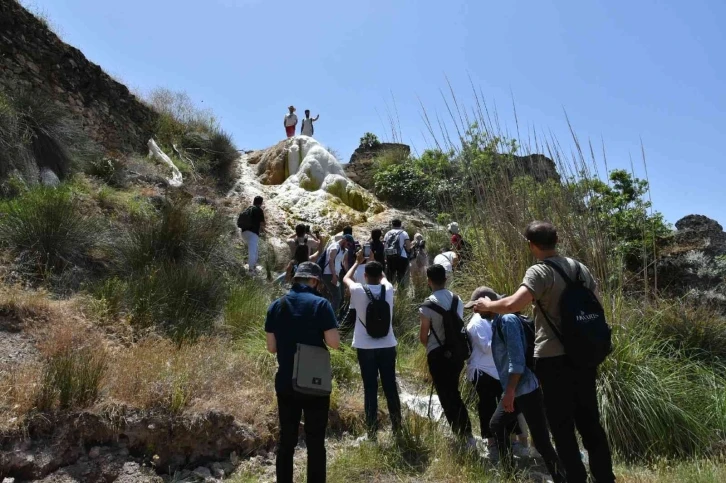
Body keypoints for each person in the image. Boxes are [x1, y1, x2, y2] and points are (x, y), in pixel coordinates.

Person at [473, 221, 615, 483]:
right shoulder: (579, 268)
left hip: (553, 360)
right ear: (556, 240)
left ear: (531, 244)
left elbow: (515, 303)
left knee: (562, 429)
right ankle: (605, 478)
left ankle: (575, 479)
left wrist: (488, 304)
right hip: (585, 356)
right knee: (590, 422)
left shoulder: (539, 271)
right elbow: (598, 305)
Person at [467, 288, 566, 482]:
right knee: (497, 424)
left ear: (488, 302)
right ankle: (509, 474)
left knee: (541, 442)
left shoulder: (507, 321)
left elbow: (517, 361)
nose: (475, 312)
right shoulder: (498, 322)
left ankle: (561, 477)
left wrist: (510, 391)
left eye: (477, 307)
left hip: (525, 389)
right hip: (520, 389)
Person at [265, 262, 340, 483]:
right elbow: (333, 343)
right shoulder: (321, 305)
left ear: (295, 279)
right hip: (315, 383)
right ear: (314, 281)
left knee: (286, 442)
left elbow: (271, 348)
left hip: (286, 382)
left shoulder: (276, 306)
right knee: (316, 442)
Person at [343, 251, 402, 439]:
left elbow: (346, 277)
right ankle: (397, 428)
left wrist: (357, 262)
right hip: (387, 345)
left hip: (365, 346)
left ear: (365, 276)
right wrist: (374, 259)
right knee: (390, 386)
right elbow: (383, 277)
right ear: (381, 274)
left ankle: (371, 433)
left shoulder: (358, 290)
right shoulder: (389, 289)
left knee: (370, 388)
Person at [418, 264, 476, 449]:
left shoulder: (427, 305)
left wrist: (433, 347)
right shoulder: (457, 300)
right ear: (446, 279)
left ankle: (463, 435)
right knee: (454, 391)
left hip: (438, 355)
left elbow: (423, 336)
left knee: (447, 395)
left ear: (429, 281)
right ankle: (466, 434)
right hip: (457, 353)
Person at [321, 234, 352, 313]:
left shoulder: (344, 250)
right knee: (337, 296)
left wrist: (349, 274)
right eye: (348, 244)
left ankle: (332, 314)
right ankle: (331, 317)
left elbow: (344, 263)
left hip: (335, 274)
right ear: (344, 240)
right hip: (328, 274)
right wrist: (334, 276)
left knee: (338, 295)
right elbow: (331, 262)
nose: (348, 246)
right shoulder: (334, 247)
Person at [239, 196, 266, 273]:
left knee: (255, 249)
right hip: (252, 233)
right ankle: (251, 270)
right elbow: (263, 223)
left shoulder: (248, 209)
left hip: (243, 232)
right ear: (261, 203)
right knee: (252, 251)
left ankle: (253, 266)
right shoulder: (258, 209)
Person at [383, 219, 412, 286]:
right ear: (400, 224)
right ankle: (401, 293)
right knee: (401, 276)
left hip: (390, 256)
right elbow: (408, 247)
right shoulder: (404, 233)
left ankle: (390, 290)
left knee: (390, 276)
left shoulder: (388, 233)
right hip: (402, 257)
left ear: (392, 225)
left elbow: (384, 246)